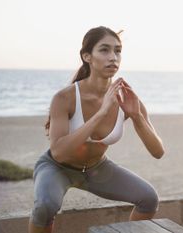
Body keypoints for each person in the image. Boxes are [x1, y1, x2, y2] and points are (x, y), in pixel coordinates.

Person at [28, 26, 165, 233]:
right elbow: (58, 151)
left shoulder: (126, 98)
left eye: (117, 51)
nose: (113, 57)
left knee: (148, 198)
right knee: (45, 206)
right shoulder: (64, 98)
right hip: (57, 168)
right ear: (87, 56)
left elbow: (158, 152)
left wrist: (136, 116)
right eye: (104, 50)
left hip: (97, 169)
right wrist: (101, 113)